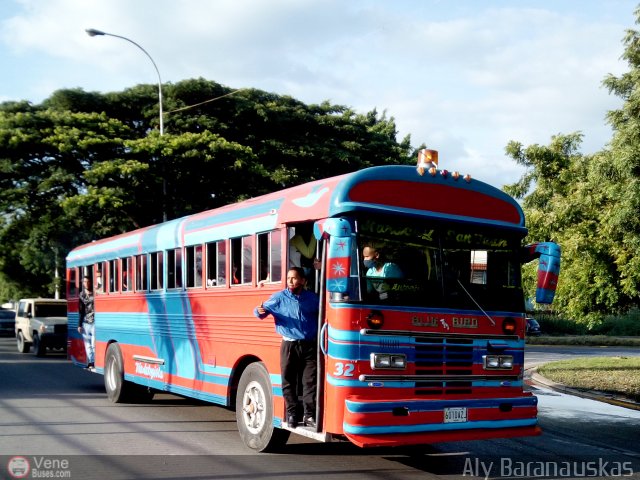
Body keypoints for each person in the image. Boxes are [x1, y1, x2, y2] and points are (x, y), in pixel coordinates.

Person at [254, 267, 319, 429]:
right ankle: (292, 414)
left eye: (294, 278)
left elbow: (323, 313)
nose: (290, 281)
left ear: (303, 281)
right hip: (289, 345)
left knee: (309, 381)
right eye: (288, 278)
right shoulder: (279, 297)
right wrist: (259, 310)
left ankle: (309, 415)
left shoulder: (312, 298)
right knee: (288, 380)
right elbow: (261, 312)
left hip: (309, 345)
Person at [77, 275, 95, 371]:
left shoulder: (95, 293)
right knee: (87, 345)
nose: (86, 283)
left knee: (93, 344)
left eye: (88, 281)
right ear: (83, 283)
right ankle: (91, 362)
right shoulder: (81, 295)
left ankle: (94, 361)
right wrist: (79, 324)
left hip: (95, 321)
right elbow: (81, 310)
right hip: (85, 322)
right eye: (84, 282)